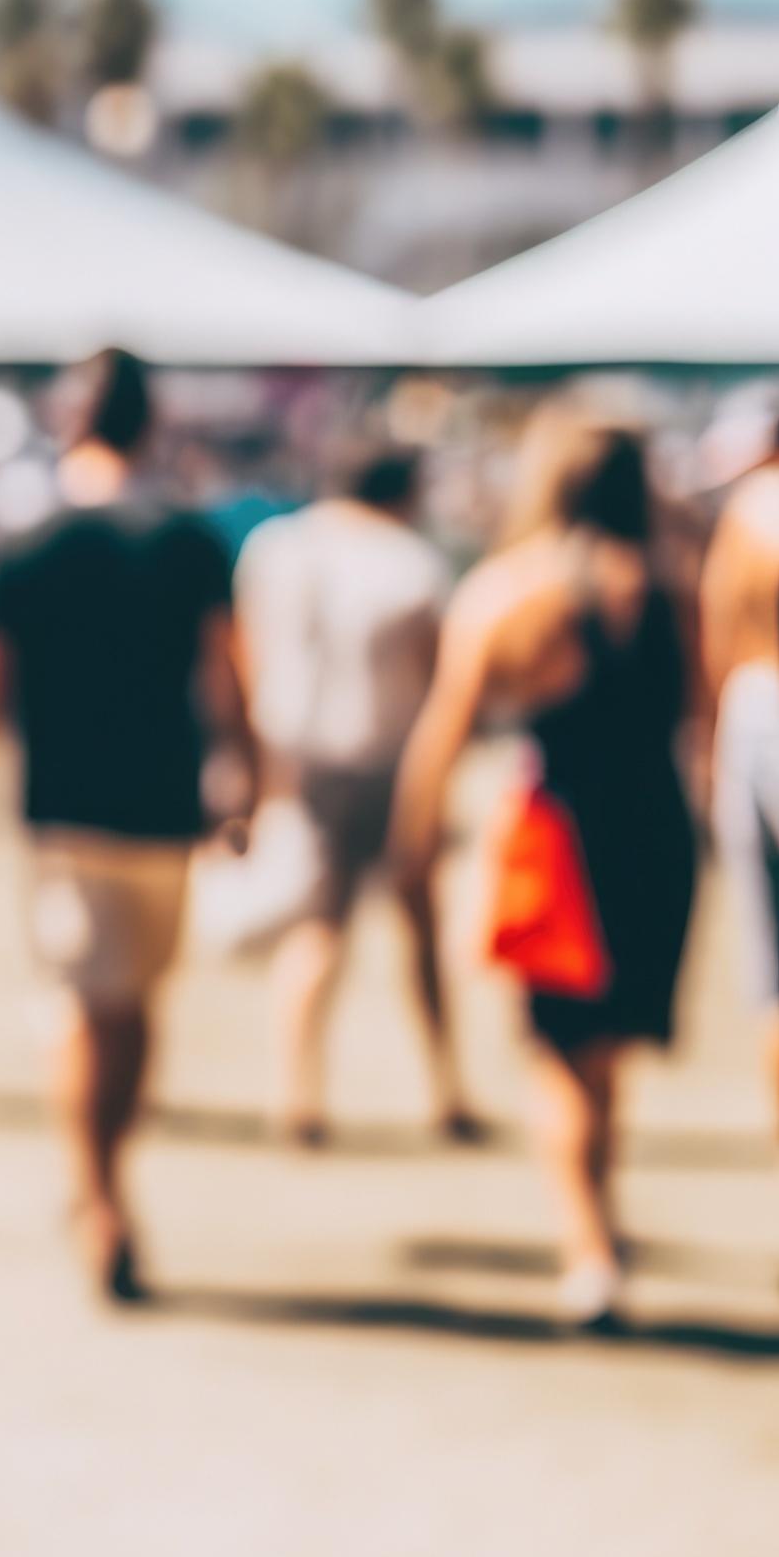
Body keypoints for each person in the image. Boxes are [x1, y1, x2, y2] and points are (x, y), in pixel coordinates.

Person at [0, 349, 251, 1302]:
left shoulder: (28, 540)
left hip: (61, 809)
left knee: (77, 999)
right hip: (161, 807)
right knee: (135, 1003)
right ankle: (108, 1188)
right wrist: (246, 772)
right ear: (152, 424)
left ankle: (94, 1190)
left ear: (73, 421)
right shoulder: (191, 539)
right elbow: (228, 671)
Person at [392, 412, 700, 1330]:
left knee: (557, 1054)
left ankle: (587, 1248)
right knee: (604, 1055)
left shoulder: (509, 591)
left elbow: (443, 732)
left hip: (558, 844)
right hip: (656, 836)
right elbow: (705, 717)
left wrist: (414, 842)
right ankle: (599, 1215)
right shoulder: (667, 586)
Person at [231, 445, 475, 1148]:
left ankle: (296, 1092)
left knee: (318, 929)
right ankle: (446, 1086)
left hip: (297, 758)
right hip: (389, 761)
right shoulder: (412, 562)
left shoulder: (274, 546)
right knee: (418, 927)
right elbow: (439, 679)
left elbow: (246, 651)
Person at [697, 417, 779, 1150]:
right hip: (759, 710)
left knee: (770, 953)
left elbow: (718, 628)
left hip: (754, 710)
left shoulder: (752, 509)